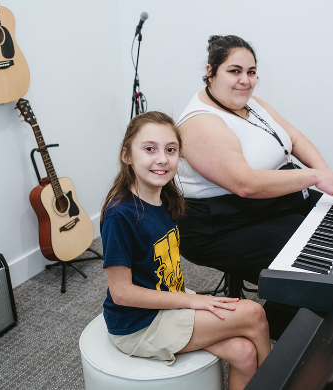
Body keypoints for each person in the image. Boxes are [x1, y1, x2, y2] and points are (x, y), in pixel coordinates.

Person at [100, 111, 271, 390]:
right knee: (253, 314)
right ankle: (282, 383)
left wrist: (187, 300)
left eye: (171, 150)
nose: (162, 159)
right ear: (127, 155)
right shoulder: (121, 215)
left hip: (169, 301)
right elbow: (122, 293)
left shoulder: (165, 198)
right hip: (138, 325)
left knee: (244, 352)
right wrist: (193, 301)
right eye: (149, 149)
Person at [176, 34, 333, 288]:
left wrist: (326, 173)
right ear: (211, 72)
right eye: (234, 71)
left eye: (251, 72)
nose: (245, 80)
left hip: (270, 204)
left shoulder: (252, 104)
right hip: (221, 225)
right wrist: (315, 177)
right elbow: (245, 184)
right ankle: (287, 319)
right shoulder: (200, 122)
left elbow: (294, 139)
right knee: (318, 259)